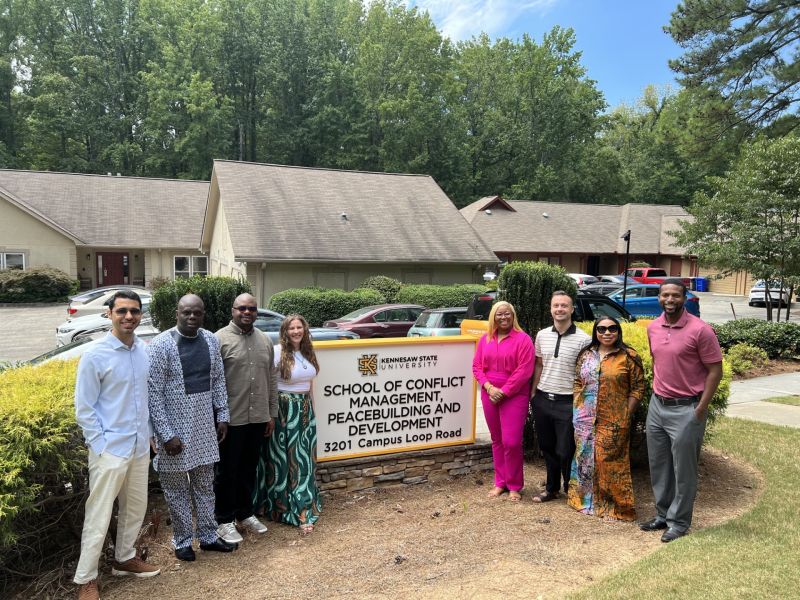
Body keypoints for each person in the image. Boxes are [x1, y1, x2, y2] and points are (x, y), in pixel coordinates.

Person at [73, 290, 160, 600]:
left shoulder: (143, 352)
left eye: (134, 311)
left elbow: (145, 400)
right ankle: (86, 578)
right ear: (109, 314)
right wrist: (100, 445)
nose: (128, 316)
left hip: (138, 448)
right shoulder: (95, 354)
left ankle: (124, 559)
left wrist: (149, 436)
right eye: (122, 310)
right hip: (109, 449)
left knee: (135, 508)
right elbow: (84, 407)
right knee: (98, 514)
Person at [148, 294, 237, 561]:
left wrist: (222, 415)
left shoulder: (210, 340)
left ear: (203, 314)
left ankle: (209, 536)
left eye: (197, 313)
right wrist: (166, 435)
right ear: (177, 313)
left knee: (205, 486)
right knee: (176, 490)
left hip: (204, 428)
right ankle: (183, 541)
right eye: (186, 312)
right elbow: (153, 393)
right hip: (173, 434)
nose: (192, 317)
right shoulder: (161, 344)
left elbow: (219, 380)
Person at [640, 279, 723, 542]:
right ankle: (663, 514)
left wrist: (701, 408)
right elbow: (658, 363)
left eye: (675, 295)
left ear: (684, 297)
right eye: (665, 295)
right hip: (658, 405)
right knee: (659, 465)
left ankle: (680, 521)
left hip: (687, 408)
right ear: (659, 297)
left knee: (684, 470)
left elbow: (715, 371)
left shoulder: (701, 330)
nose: (670, 299)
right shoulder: (653, 327)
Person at [214, 293, 278, 544]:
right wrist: (217, 416)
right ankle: (224, 519)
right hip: (230, 420)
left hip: (258, 417)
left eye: (252, 308)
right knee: (227, 472)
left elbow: (271, 379)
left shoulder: (264, 340)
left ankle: (245, 513)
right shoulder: (218, 339)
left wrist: (271, 414)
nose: (247, 312)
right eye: (242, 308)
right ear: (233, 310)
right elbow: (213, 382)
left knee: (249, 469)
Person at [568, 317, 645, 521]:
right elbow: (578, 381)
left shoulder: (628, 356)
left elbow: (638, 388)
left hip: (614, 419)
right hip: (585, 420)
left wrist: (627, 413)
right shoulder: (586, 355)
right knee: (584, 458)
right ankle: (584, 502)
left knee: (609, 461)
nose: (607, 332)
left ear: (618, 331)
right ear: (596, 332)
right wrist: (578, 410)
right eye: (601, 329)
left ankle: (618, 506)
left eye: (612, 328)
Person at [254, 314, 321, 535]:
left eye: (299, 327)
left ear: (304, 329)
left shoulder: (308, 351)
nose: (296, 331)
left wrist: (312, 411)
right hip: (284, 411)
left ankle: (304, 503)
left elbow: (309, 384)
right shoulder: (276, 352)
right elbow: (269, 385)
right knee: (287, 461)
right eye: (291, 328)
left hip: (304, 412)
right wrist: (270, 415)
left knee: (305, 461)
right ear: (285, 331)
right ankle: (291, 509)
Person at [531, 291, 591, 503]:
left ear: (572, 309)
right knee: (547, 447)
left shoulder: (584, 338)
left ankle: (570, 488)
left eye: (564, 306)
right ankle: (552, 488)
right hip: (543, 399)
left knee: (565, 449)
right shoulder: (542, 335)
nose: (559, 309)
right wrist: (533, 392)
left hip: (568, 401)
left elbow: (586, 372)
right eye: (556, 305)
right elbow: (539, 364)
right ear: (550, 309)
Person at [472, 301, 534, 501]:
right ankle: (501, 482)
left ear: (513, 315)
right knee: (497, 440)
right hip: (489, 393)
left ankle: (514, 485)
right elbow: (477, 367)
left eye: (507, 314)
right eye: (499, 314)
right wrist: (489, 387)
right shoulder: (485, 339)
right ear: (493, 317)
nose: (503, 317)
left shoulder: (523, 340)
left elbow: (524, 371)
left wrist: (504, 391)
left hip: (514, 395)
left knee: (512, 441)